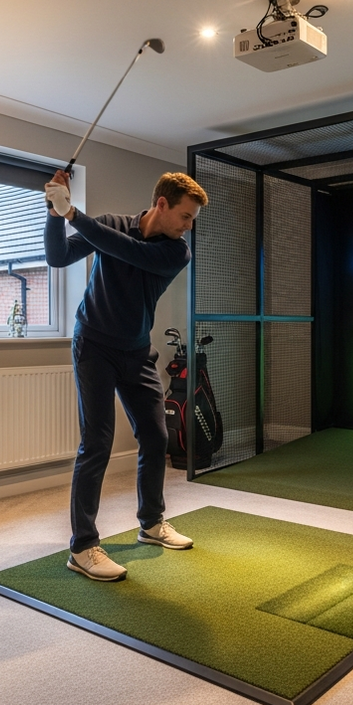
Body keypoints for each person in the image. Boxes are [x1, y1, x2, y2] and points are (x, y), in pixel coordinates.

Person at [43, 169, 207, 581]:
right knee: (96, 443)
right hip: (94, 346)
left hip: (136, 352)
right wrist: (53, 212)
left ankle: (151, 524)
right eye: (186, 216)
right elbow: (58, 257)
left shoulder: (176, 252)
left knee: (156, 436)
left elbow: (129, 252)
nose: (190, 226)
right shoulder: (111, 224)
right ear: (162, 204)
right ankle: (82, 547)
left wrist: (73, 214)